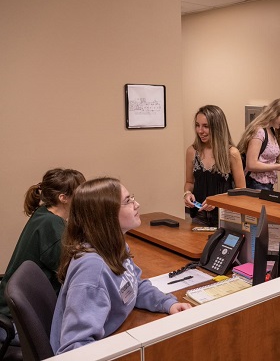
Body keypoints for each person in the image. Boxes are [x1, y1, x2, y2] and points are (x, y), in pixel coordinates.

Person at [50, 178, 191, 354]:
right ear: (105, 215)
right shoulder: (91, 271)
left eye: (132, 198)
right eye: (128, 201)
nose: (137, 204)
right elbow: (74, 348)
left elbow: (133, 285)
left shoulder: (114, 245)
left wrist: (166, 303)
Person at [0, 168, 85, 346]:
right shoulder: (51, 225)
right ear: (63, 198)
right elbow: (72, 273)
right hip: (20, 322)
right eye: (81, 192)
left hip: (11, 308)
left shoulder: (44, 214)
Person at [183, 105, 246, 226]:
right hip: (198, 217)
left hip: (225, 218)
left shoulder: (231, 153)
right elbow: (189, 182)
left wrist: (218, 201)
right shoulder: (192, 151)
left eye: (206, 126)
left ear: (217, 128)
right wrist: (187, 193)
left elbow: (241, 190)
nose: (200, 131)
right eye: (197, 125)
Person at [237, 98, 280, 190]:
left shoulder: (272, 131)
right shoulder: (259, 131)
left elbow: (265, 160)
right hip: (255, 183)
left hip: (267, 184)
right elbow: (251, 164)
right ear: (275, 114)